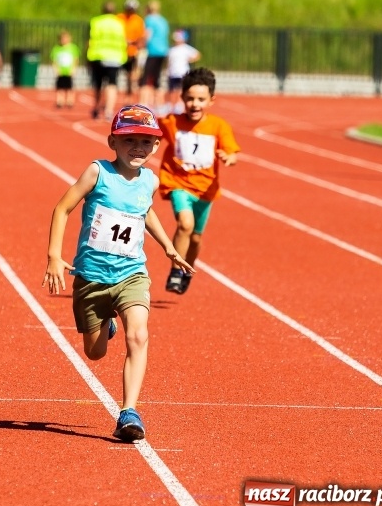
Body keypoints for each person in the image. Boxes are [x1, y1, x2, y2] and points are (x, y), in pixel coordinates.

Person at [43, 104, 195, 442]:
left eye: (145, 142)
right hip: (92, 278)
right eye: (129, 141)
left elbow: (145, 212)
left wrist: (169, 247)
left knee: (139, 336)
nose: (137, 148)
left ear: (156, 146)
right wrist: (54, 255)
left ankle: (129, 411)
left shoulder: (150, 181)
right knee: (94, 353)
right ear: (113, 142)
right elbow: (63, 207)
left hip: (132, 274)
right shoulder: (97, 172)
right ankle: (105, 325)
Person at [156, 67, 240, 294]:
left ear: (211, 100)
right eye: (190, 99)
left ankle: (186, 269)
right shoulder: (172, 122)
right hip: (178, 183)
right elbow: (150, 128)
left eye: (201, 99)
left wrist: (229, 157)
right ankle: (175, 270)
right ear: (182, 98)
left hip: (206, 191)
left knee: (195, 238)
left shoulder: (218, 126)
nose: (195, 104)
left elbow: (232, 151)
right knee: (185, 224)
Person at [86, 1, 127, 121]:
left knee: (98, 84)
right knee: (112, 84)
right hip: (115, 57)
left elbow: (90, 40)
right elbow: (123, 39)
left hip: (98, 55)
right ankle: (109, 110)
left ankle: (97, 108)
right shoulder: (119, 23)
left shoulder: (96, 22)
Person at [138, 0, 170, 112]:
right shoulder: (163, 20)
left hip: (152, 51)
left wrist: (140, 45)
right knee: (157, 78)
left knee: (145, 78)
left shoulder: (149, 20)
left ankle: (143, 102)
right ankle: (159, 104)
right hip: (163, 51)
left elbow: (147, 34)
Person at [165, 29, 200, 114]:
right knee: (171, 90)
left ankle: (179, 104)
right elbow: (168, 61)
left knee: (180, 90)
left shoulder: (186, 48)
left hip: (182, 72)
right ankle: (170, 105)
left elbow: (197, 55)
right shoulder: (172, 49)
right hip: (172, 72)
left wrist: (190, 60)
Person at [116, 0, 145, 102]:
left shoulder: (138, 20)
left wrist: (134, 43)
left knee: (130, 76)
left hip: (131, 52)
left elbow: (141, 37)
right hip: (118, 51)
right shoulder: (119, 18)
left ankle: (128, 97)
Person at [50, 30, 80, 109]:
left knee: (69, 87)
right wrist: (56, 69)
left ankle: (70, 101)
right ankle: (60, 101)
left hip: (69, 71)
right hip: (61, 71)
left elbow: (76, 59)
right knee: (60, 87)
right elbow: (54, 60)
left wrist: (73, 69)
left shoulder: (73, 48)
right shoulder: (56, 48)